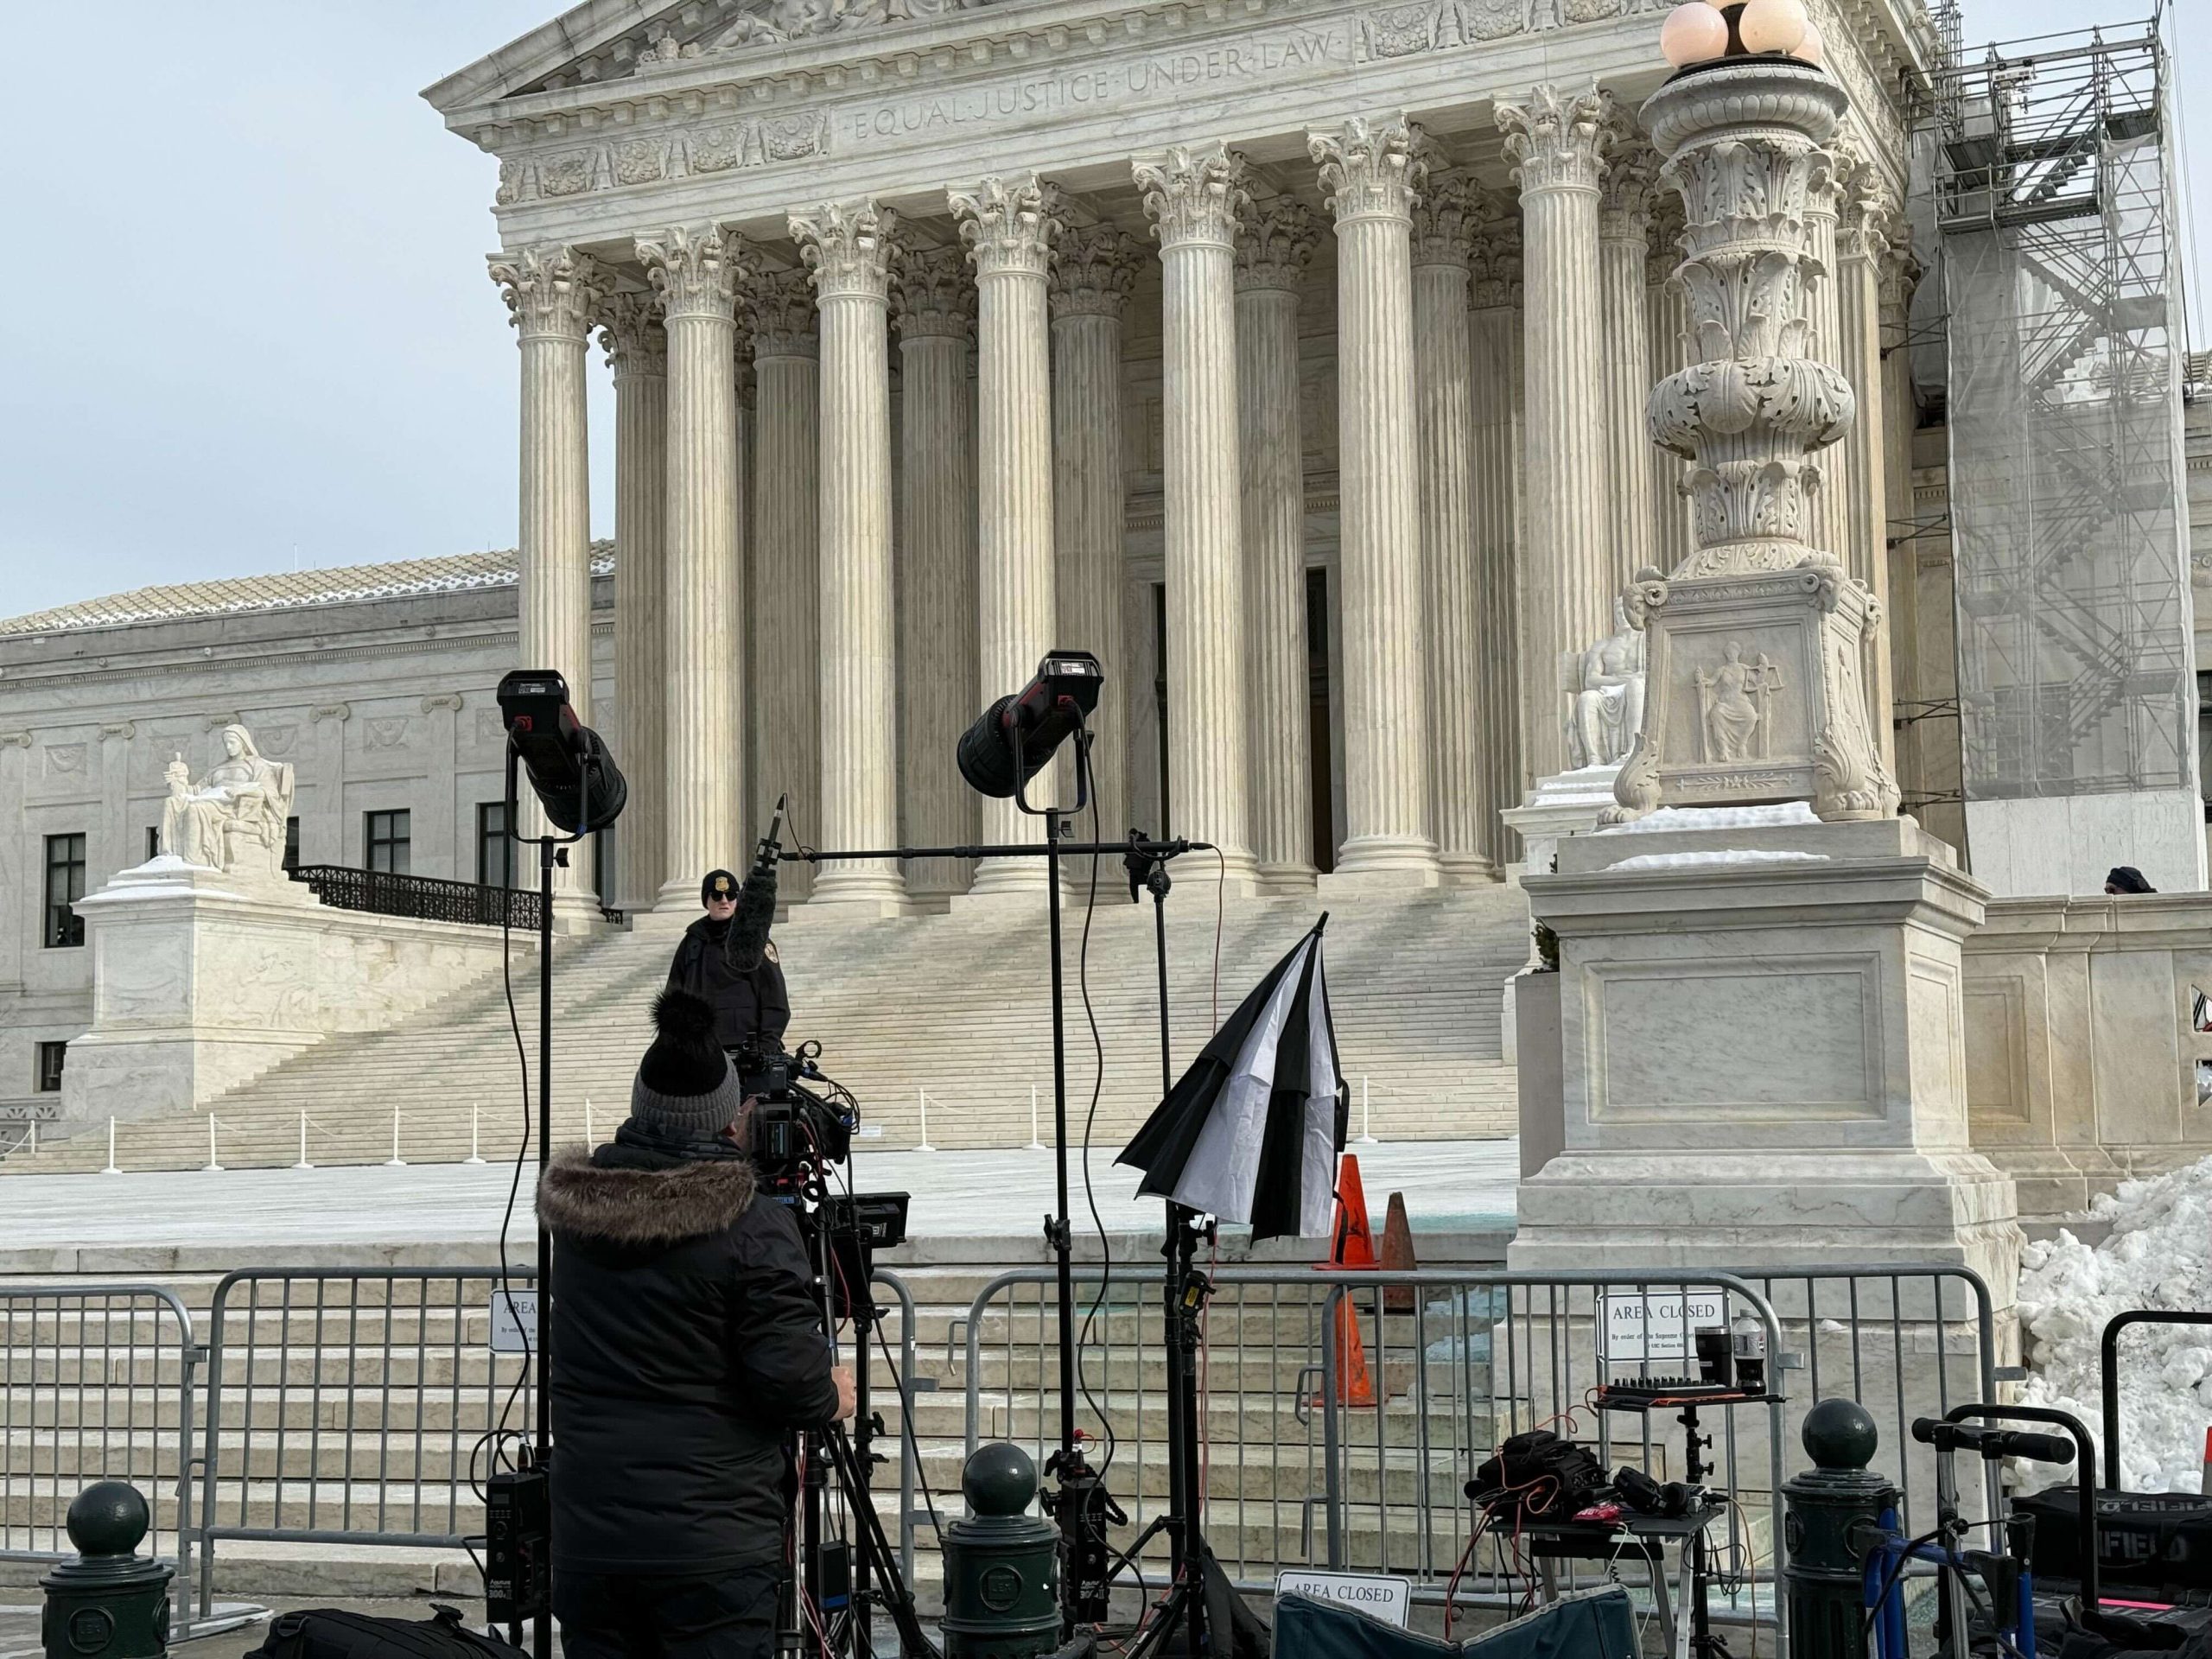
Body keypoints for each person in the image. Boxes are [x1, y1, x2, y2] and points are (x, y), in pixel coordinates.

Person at [537, 987, 855, 1657]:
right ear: (726, 1119)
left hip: (592, 1539)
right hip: (711, 1542)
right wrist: (833, 1394)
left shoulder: (574, 1218)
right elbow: (790, 1383)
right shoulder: (753, 1224)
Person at [668, 868, 791, 1056]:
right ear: (706, 901)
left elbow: (775, 997)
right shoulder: (692, 941)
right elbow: (673, 996)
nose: (724, 901)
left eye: (731, 895)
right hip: (701, 1049)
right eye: (717, 895)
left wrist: (766, 1048)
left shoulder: (752, 938)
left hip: (747, 1049)